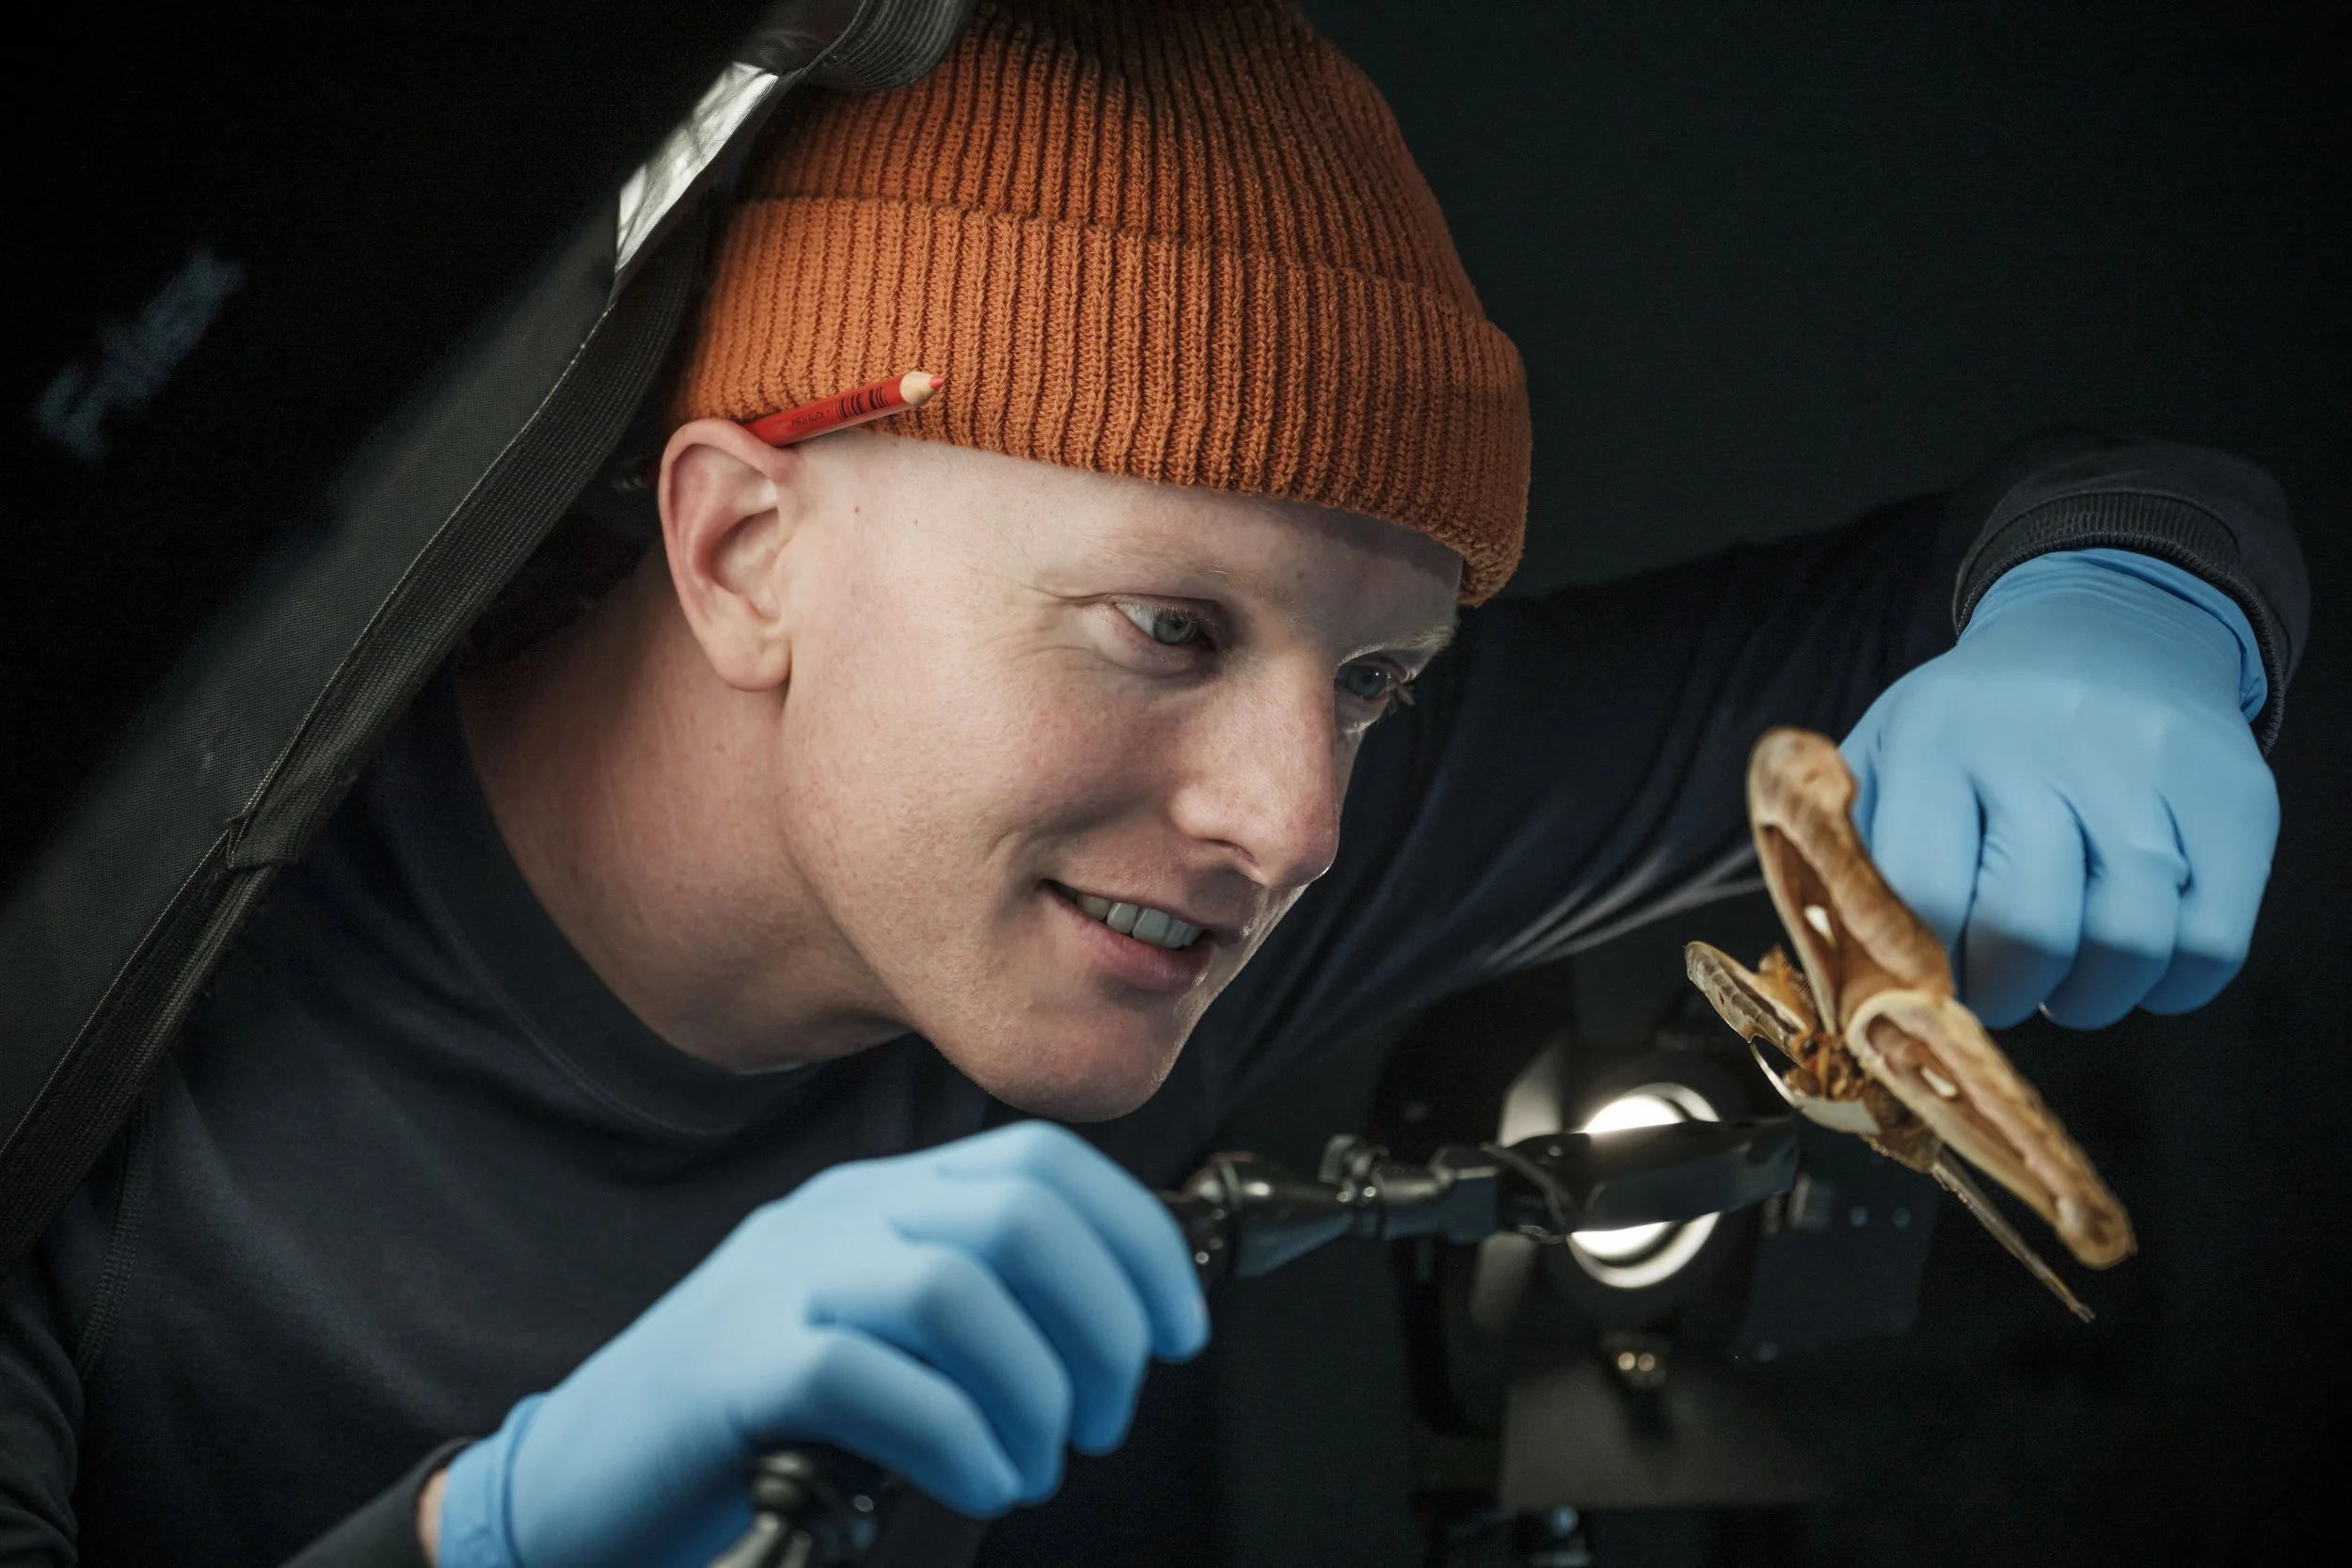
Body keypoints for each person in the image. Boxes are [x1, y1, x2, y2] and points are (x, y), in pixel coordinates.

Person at [0, 3, 2307, 1565]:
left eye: (1383, 677)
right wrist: (497, 1530)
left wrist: (2127, 615)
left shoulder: (1210, 837)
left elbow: (2068, 522)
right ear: (735, 544)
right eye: (1165, 625)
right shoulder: (100, 986)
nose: (1291, 821)